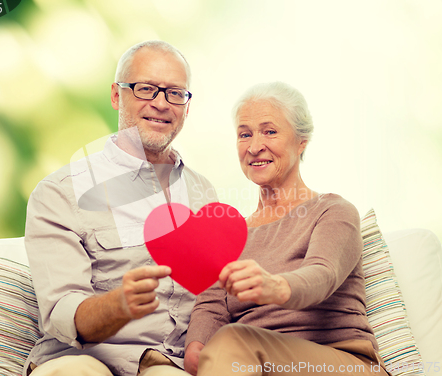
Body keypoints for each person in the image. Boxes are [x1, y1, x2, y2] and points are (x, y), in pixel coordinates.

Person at [141, 82, 390, 376]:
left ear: (302, 141)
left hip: (340, 361)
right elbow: (212, 305)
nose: (255, 146)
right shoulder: (230, 235)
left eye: (269, 131)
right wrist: (196, 346)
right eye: (244, 134)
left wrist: (276, 286)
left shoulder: (334, 211)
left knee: (233, 341)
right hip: (249, 364)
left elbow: (324, 274)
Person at [23, 40, 217, 376]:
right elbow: (61, 312)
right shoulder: (59, 193)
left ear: (187, 106)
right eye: (145, 89)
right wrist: (118, 306)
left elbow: (214, 300)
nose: (161, 103)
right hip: (81, 358)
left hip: (165, 362)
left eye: (175, 93)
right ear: (116, 95)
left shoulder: (205, 194)